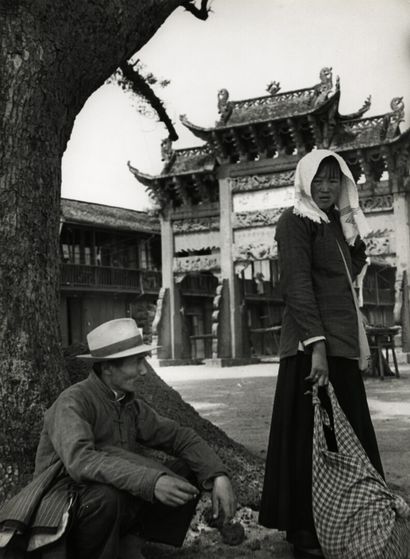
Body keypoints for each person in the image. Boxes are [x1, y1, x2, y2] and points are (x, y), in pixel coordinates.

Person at [0, 318, 236, 559]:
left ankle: (131, 543)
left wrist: (217, 475)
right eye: (136, 362)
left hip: (114, 498)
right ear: (107, 367)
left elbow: (179, 437)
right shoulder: (72, 402)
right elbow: (82, 462)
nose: (144, 371)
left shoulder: (129, 404)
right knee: (106, 496)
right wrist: (151, 481)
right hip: (67, 501)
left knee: (189, 468)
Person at [258, 150, 384, 559]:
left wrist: (356, 235)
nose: (326, 188)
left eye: (334, 180)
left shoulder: (334, 223)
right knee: (309, 440)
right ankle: (306, 531)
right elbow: (297, 285)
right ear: (304, 182)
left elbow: (346, 272)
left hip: (341, 347)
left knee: (346, 439)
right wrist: (316, 347)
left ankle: (348, 519)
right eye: (319, 180)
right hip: (310, 351)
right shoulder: (294, 221)